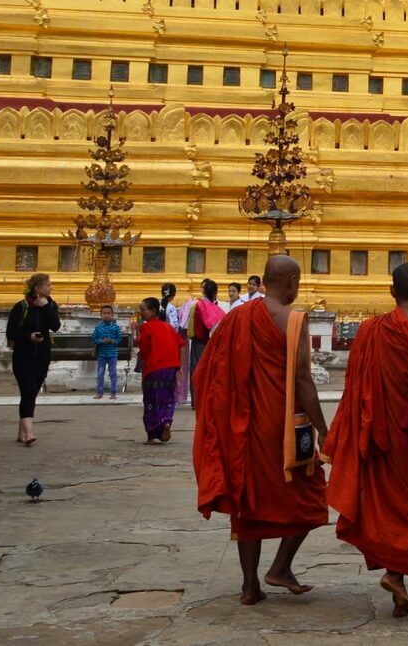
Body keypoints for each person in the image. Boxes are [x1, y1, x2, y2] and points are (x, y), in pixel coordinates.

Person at [192, 256, 329, 606]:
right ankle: (281, 566)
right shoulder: (295, 319)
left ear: (265, 281)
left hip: (245, 427)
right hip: (285, 428)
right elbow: (302, 381)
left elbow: (208, 372)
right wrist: (324, 428)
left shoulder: (237, 316)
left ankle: (250, 587)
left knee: (248, 502)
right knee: (312, 497)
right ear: (293, 282)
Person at [324, 263, 408, 619]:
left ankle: (396, 578)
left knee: (388, 504)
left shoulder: (371, 329)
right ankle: (396, 576)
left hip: (381, 430)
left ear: (391, 291)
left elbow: (357, 385)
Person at [8, 274, 61, 446]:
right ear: (37, 289)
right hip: (23, 356)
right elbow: (11, 333)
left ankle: (21, 431)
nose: (50, 288)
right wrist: (28, 337)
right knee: (29, 390)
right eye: (47, 285)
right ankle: (29, 433)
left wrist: (47, 307)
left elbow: (55, 326)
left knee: (31, 393)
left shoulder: (50, 305)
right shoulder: (21, 307)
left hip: (42, 356)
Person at [135, 297, 184, 442]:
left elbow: (144, 349)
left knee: (151, 400)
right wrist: (178, 366)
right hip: (170, 368)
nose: (141, 312)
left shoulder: (146, 327)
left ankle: (151, 435)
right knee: (167, 398)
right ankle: (166, 422)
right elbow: (180, 344)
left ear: (153, 311)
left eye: (143, 310)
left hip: (153, 368)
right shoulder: (168, 327)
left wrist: (143, 362)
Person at [187, 279, 227, 395]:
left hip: (199, 342)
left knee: (197, 369)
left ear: (203, 291)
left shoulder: (198, 304)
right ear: (216, 293)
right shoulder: (216, 308)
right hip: (212, 342)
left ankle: (197, 398)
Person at [92, 305, 123, 401]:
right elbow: (93, 339)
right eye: (104, 313)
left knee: (113, 374)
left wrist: (113, 341)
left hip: (112, 354)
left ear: (112, 315)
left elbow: (120, 338)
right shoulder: (98, 327)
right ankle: (99, 393)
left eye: (108, 313)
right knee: (100, 374)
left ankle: (113, 393)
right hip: (101, 354)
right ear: (101, 315)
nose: (106, 315)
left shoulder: (115, 327)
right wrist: (102, 341)